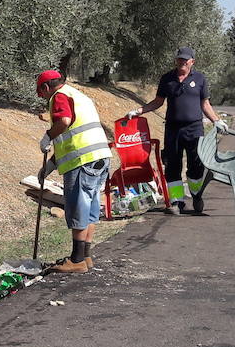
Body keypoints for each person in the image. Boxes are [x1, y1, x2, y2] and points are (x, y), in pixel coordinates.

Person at [125, 47, 225, 214]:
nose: (182, 62)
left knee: (196, 165)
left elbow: (205, 104)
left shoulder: (199, 79)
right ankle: (177, 201)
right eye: (180, 59)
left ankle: (196, 195)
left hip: (194, 129)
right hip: (173, 129)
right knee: (172, 166)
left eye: (186, 60)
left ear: (192, 61)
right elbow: (158, 102)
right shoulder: (167, 79)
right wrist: (139, 111)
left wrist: (217, 120)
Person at [35, 69, 113, 273]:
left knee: (78, 205)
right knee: (91, 204)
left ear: (45, 87)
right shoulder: (79, 96)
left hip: (82, 161)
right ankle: (85, 256)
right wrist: (51, 164)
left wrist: (48, 136)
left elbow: (65, 122)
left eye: (41, 93)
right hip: (100, 157)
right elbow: (74, 134)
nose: (42, 97)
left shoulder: (59, 96)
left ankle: (76, 260)